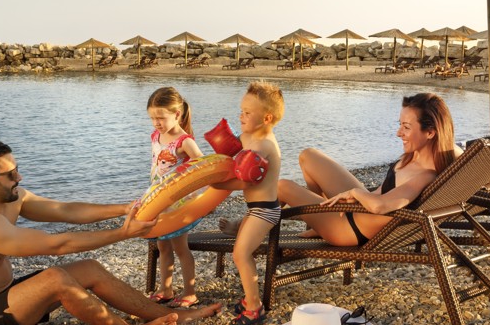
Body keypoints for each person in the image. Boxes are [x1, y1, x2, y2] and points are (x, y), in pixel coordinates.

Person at [0, 141, 222, 325]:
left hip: (8, 295)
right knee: (55, 278)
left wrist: (124, 208)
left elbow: (67, 211)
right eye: (10, 174)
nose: (18, 178)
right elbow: (58, 244)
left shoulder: (13, 198)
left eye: (17, 169)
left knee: (88, 268)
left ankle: (171, 316)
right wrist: (123, 233)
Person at [275, 92, 461, 246]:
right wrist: (353, 199)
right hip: (358, 211)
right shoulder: (415, 156)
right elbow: (380, 194)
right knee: (308, 156)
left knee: (281, 186)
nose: (398, 133)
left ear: (430, 132)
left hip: (347, 229)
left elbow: (379, 206)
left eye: (406, 127)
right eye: (399, 125)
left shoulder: (425, 175)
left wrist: (354, 193)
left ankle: (247, 236)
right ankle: (317, 222)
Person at [209, 82, 284, 325]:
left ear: (266, 117)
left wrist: (217, 185)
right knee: (241, 251)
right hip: (255, 209)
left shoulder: (264, 146)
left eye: (247, 112)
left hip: (265, 211)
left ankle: (254, 308)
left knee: (240, 254)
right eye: (241, 110)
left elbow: (246, 184)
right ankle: (238, 227)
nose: (240, 115)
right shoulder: (249, 138)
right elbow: (228, 158)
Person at [145, 87, 205, 308]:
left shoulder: (184, 141)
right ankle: (166, 288)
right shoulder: (156, 135)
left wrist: (187, 178)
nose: (156, 123)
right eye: (152, 118)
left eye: (161, 117)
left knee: (180, 247)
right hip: (158, 198)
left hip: (179, 203)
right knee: (163, 247)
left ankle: (190, 292)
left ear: (177, 114)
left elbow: (202, 165)